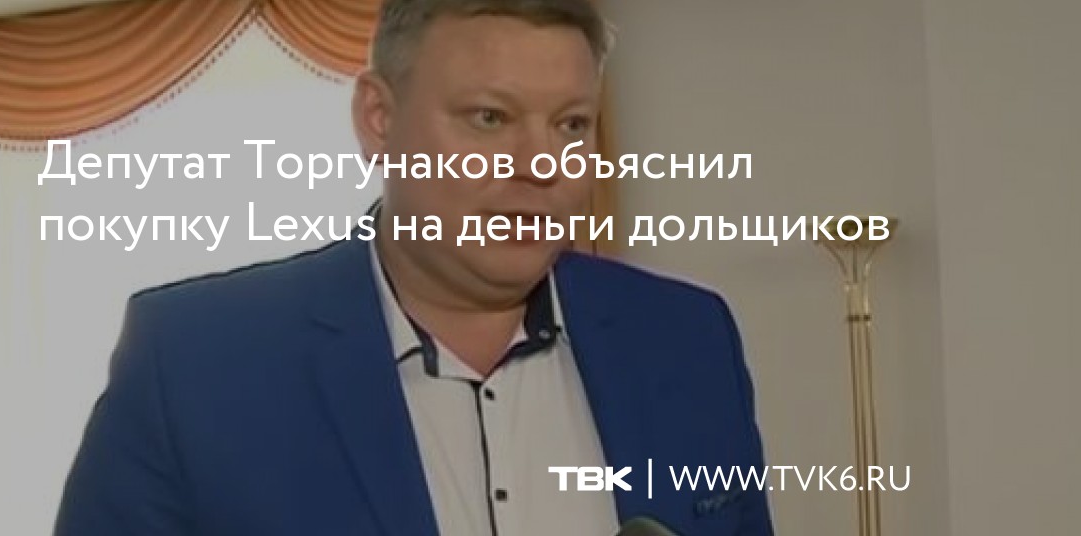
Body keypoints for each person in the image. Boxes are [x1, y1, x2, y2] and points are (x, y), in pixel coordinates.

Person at [55, 0, 773, 534]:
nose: (541, 165)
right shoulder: (194, 362)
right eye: (490, 118)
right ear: (379, 119)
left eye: (571, 125)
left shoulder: (689, 338)